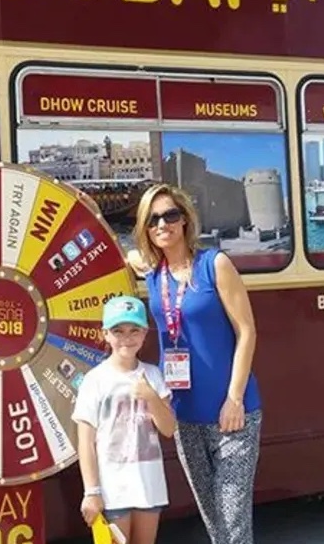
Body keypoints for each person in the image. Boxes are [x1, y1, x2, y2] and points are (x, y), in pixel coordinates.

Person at [126, 183, 262, 544]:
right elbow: (129, 255)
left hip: (232, 415)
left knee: (232, 523)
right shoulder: (153, 274)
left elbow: (247, 330)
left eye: (170, 215)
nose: (162, 224)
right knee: (214, 521)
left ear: (185, 219)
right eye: (152, 219)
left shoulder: (214, 265)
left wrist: (234, 399)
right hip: (184, 416)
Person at [72, 295, 176, 544]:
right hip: (112, 491)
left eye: (134, 330)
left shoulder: (153, 374)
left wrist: (150, 396)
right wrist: (91, 492)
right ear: (105, 334)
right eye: (118, 331)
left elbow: (169, 428)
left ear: (144, 334)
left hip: (149, 487)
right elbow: (86, 442)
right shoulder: (95, 380)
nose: (127, 338)